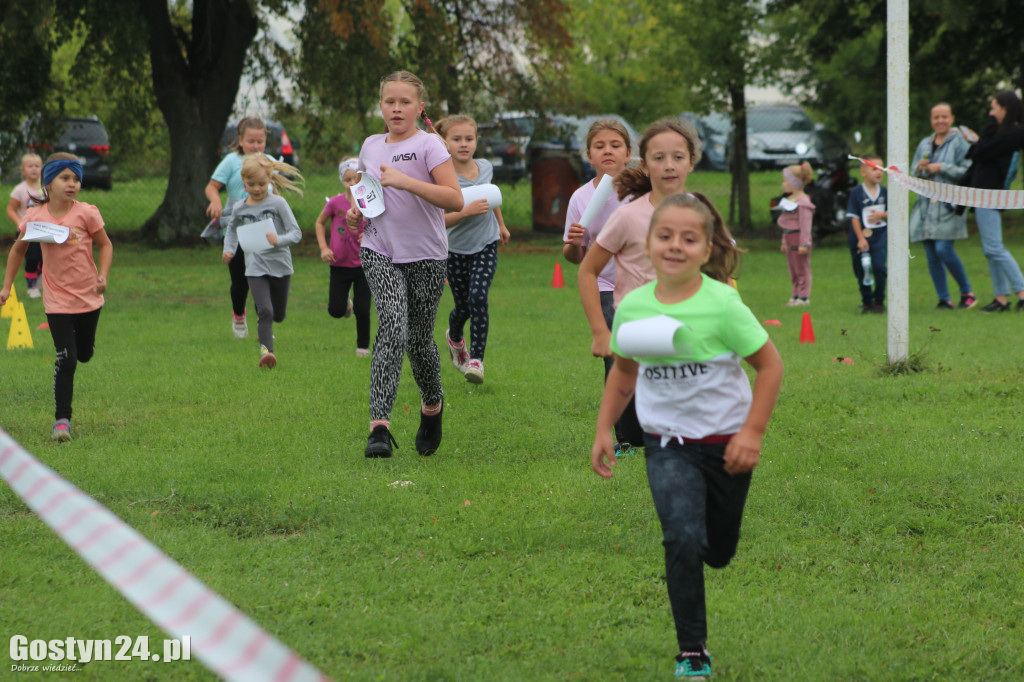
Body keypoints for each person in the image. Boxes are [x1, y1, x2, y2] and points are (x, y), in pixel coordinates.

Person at [591, 193, 783, 680]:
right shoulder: (633, 306)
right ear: (648, 242)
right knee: (679, 537)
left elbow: (769, 366)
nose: (675, 246)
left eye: (688, 238)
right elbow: (624, 373)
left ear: (706, 247)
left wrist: (752, 434)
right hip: (667, 444)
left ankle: (714, 550)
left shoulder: (723, 305)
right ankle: (692, 650)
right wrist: (603, 429)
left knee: (716, 550)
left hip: (726, 445)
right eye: (665, 236)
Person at [347, 71, 462, 458]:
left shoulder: (430, 145)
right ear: (380, 106)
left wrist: (405, 181)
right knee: (392, 327)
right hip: (379, 248)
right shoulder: (370, 145)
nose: (397, 108)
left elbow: (454, 199)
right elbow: (367, 194)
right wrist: (353, 212)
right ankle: (379, 428)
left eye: (405, 102)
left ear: (419, 107)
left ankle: (433, 405)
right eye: (389, 101)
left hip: (428, 255)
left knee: (417, 340)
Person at [577, 118, 704, 456]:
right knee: (634, 428)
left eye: (678, 157)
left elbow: (720, 269)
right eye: (659, 158)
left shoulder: (702, 213)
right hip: (635, 328)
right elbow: (587, 271)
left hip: (686, 326)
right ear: (644, 164)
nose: (669, 166)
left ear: (691, 162)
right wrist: (600, 332)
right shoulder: (628, 216)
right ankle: (629, 434)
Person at [0, 153, 114, 442]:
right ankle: (62, 421)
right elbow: (18, 251)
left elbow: (106, 245)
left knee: (84, 354)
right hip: (56, 301)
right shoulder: (35, 216)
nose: (72, 183)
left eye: (76, 178)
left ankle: (81, 347)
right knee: (67, 359)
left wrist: (103, 276)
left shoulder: (87, 213)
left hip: (89, 297)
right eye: (65, 177)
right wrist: (6, 287)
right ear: (48, 182)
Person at [562, 118, 642, 454]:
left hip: (645, 285)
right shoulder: (581, 198)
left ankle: (649, 428)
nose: (607, 150)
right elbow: (572, 257)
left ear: (628, 153)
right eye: (600, 146)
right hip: (606, 285)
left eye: (615, 145)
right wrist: (575, 242)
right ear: (589, 156)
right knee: (616, 354)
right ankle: (623, 436)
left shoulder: (643, 191)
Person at [435, 114, 511, 385]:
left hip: (486, 244)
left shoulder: (486, 166)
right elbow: (438, 221)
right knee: (463, 306)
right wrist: (465, 212)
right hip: (454, 250)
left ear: (477, 140)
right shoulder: (441, 178)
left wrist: (500, 225)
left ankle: (476, 360)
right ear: (445, 143)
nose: (463, 144)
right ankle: (454, 337)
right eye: (456, 139)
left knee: (478, 297)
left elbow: (491, 196)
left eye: (469, 138)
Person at [222, 154, 304, 368]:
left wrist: (278, 240)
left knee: (278, 314)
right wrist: (229, 250)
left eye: (261, 184)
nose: (257, 189)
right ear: (244, 182)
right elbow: (231, 229)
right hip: (255, 267)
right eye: (251, 184)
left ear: (269, 179)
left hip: (280, 266)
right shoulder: (240, 207)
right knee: (264, 311)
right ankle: (266, 354)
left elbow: (296, 233)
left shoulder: (278, 203)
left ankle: (268, 336)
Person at [205, 117, 274, 339]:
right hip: (236, 232)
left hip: (262, 231)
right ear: (241, 140)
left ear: (265, 141)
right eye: (251, 141)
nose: (256, 146)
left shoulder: (269, 162)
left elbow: (277, 191)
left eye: (260, 141)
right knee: (240, 281)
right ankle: (238, 315)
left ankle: (263, 326)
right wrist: (215, 201)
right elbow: (212, 187)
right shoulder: (231, 161)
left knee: (261, 280)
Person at [909, 103, 977, 310]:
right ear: (931, 120)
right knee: (931, 253)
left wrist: (941, 167)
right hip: (926, 209)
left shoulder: (960, 143)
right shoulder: (924, 144)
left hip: (948, 205)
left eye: (944, 117)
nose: (940, 121)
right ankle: (944, 299)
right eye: (936, 117)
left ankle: (967, 293)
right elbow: (913, 173)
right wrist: (922, 170)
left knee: (944, 249)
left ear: (952, 118)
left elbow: (969, 171)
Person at [966, 91, 1024, 312]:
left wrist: (988, 126)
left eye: (993, 109)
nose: (991, 113)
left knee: (994, 247)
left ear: (1005, 109)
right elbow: (981, 150)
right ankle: (1000, 298)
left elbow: (980, 152)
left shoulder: (1014, 133)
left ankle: (1021, 291)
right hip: (984, 194)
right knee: (990, 249)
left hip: (991, 194)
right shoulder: (1006, 133)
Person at [315, 157, 372, 357]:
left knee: (363, 309)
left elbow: (383, 225)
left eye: (357, 179)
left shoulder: (369, 201)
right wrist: (323, 248)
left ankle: (363, 346)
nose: (352, 184)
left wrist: (372, 235)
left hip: (365, 265)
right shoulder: (334, 203)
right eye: (348, 179)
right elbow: (319, 223)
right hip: (339, 265)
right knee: (335, 311)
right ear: (342, 181)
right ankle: (345, 304)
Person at [847, 154, 889, 313]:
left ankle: (879, 301)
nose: (879, 172)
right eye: (874, 168)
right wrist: (860, 238)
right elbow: (854, 217)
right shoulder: (856, 193)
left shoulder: (885, 192)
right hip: (859, 239)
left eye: (881, 168)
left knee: (879, 268)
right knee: (861, 269)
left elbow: (895, 212)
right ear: (863, 172)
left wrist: (883, 215)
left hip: (879, 238)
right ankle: (866, 301)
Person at [776, 162, 815, 306]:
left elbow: (805, 225)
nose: (784, 183)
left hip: (799, 240)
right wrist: (784, 242)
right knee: (792, 268)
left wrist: (804, 243)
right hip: (789, 238)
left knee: (802, 268)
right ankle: (795, 295)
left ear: (794, 183)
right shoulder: (789, 201)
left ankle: (804, 297)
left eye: (786, 180)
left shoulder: (804, 202)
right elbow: (786, 223)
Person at [6, 153, 44, 298]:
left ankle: (41, 278)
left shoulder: (46, 188)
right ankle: (32, 286)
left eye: (37, 166)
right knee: (32, 258)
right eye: (30, 166)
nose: (34, 169)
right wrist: (19, 223)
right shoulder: (19, 190)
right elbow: (11, 209)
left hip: (43, 231)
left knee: (44, 258)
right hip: (27, 232)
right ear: (23, 170)